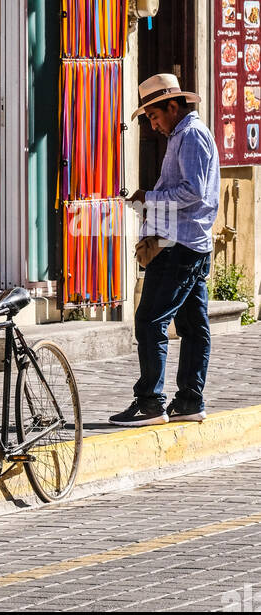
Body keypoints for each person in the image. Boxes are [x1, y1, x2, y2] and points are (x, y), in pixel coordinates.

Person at [110, 73, 219, 428]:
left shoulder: (190, 135)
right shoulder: (181, 136)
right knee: (192, 325)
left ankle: (151, 402)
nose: (153, 125)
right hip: (186, 242)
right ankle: (189, 400)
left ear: (173, 107)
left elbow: (193, 192)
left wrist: (149, 198)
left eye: (155, 116)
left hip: (182, 246)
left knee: (150, 319)